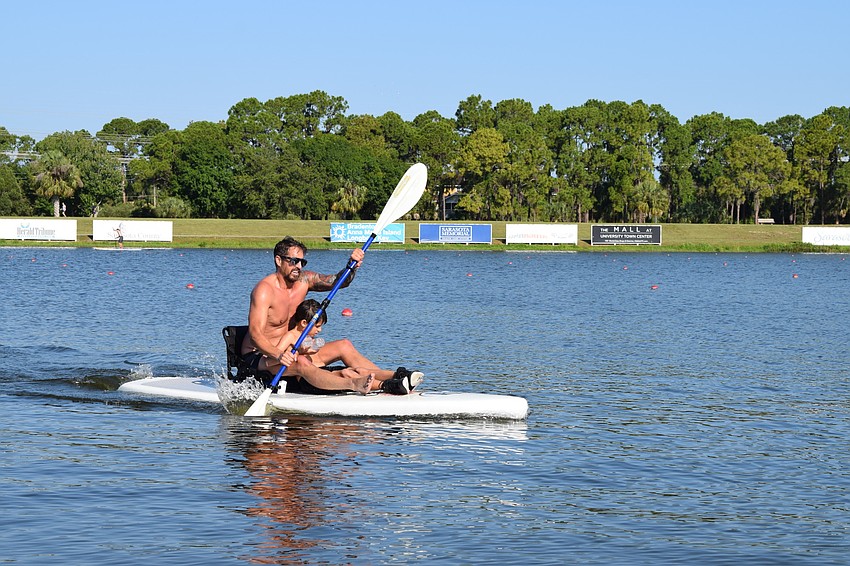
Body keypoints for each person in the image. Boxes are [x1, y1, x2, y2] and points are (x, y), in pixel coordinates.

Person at [241, 236, 423, 395]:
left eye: (301, 262)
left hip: (293, 348)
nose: (298, 266)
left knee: (344, 345)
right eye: (293, 261)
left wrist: (351, 267)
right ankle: (354, 384)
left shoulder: (304, 280)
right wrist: (279, 354)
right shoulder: (264, 290)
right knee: (303, 362)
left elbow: (338, 282)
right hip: (262, 357)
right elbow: (256, 334)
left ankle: (396, 382)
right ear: (278, 260)